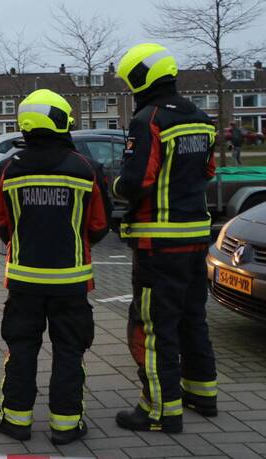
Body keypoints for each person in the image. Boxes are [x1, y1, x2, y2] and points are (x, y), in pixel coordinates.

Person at [0, 89, 110, 446]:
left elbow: (0, 222)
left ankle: (15, 421)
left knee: (22, 347)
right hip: (72, 283)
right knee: (70, 350)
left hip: (23, 281)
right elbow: (100, 226)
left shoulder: (8, 169)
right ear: (60, 121)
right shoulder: (85, 168)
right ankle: (66, 426)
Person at [112, 43, 217, 434]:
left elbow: (137, 181)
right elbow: (207, 170)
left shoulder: (149, 119)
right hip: (195, 236)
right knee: (193, 317)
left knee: (155, 324)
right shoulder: (201, 117)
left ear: (141, 78)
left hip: (158, 242)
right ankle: (203, 393)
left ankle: (160, 409)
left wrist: (116, 184)